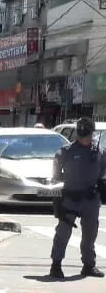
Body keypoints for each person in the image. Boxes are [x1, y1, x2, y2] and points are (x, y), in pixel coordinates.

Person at [49, 117, 106, 279]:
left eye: (88, 135)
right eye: (82, 135)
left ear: (93, 133)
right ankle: (56, 265)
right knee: (63, 233)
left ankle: (88, 265)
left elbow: (103, 172)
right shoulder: (66, 152)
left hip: (90, 198)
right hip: (70, 197)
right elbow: (56, 174)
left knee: (90, 233)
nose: (85, 138)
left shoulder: (100, 152)